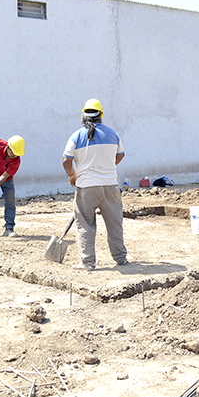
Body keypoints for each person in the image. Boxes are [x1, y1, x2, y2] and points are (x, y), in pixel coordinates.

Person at [62, 98, 128, 270]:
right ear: (101, 115)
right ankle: (121, 258)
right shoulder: (113, 134)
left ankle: (87, 262)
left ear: (84, 117)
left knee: (84, 223)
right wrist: (108, 165)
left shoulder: (76, 136)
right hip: (110, 186)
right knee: (114, 223)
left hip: (86, 188)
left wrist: (71, 175)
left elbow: (66, 160)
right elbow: (121, 155)